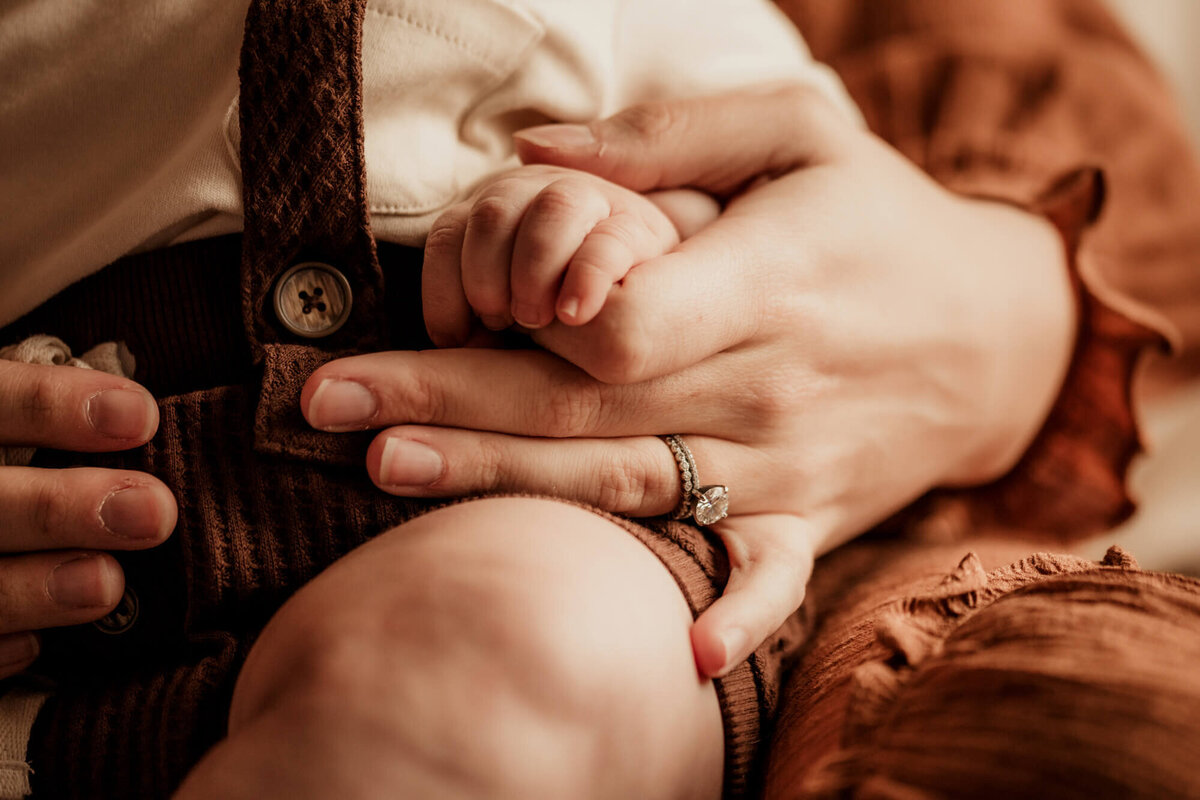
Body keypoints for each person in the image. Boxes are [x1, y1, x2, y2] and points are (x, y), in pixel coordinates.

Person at [3, 2, 1200, 800]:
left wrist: (629, 231)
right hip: (49, 551)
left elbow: (762, 138)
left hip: (567, 524)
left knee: (498, 670)